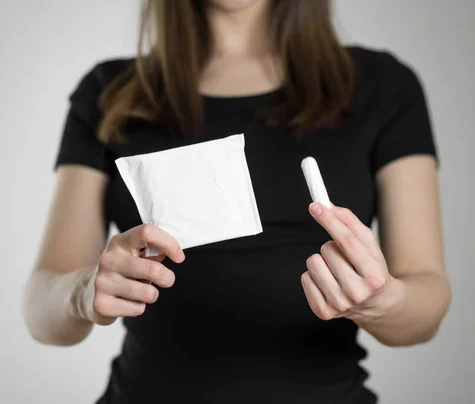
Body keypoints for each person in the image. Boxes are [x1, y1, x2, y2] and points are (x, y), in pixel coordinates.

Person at [23, 0, 451, 403]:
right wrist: (83, 291)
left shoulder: (383, 86)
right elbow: (43, 311)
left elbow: (425, 302)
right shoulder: (110, 93)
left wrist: (381, 301)